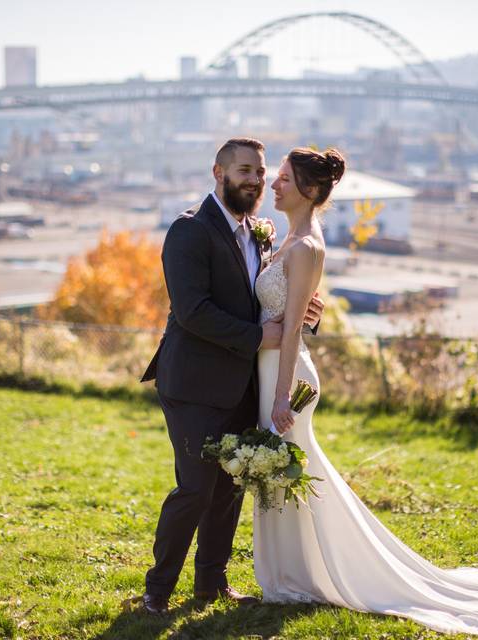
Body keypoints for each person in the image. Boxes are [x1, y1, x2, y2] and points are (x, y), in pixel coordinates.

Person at [252, 146, 478, 636]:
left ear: (310, 190)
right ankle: (291, 575)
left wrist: (282, 397)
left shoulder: (307, 248)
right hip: (268, 371)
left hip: (287, 378)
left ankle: (303, 576)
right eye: (276, 177)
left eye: (283, 178)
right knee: (285, 474)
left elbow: (296, 330)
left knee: (289, 471)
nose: (274, 185)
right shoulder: (287, 240)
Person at [138, 138, 324, 614]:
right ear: (218, 173)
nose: (256, 180)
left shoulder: (258, 232)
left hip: (243, 385)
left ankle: (211, 583)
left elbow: (272, 298)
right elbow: (193, 311)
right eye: (245, 170)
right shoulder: (189, 232)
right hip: (193, 384)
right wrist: (260, 338)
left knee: (229, 488)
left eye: (261, 172)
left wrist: (305, 313)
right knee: (196, 488)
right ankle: (157, 591)